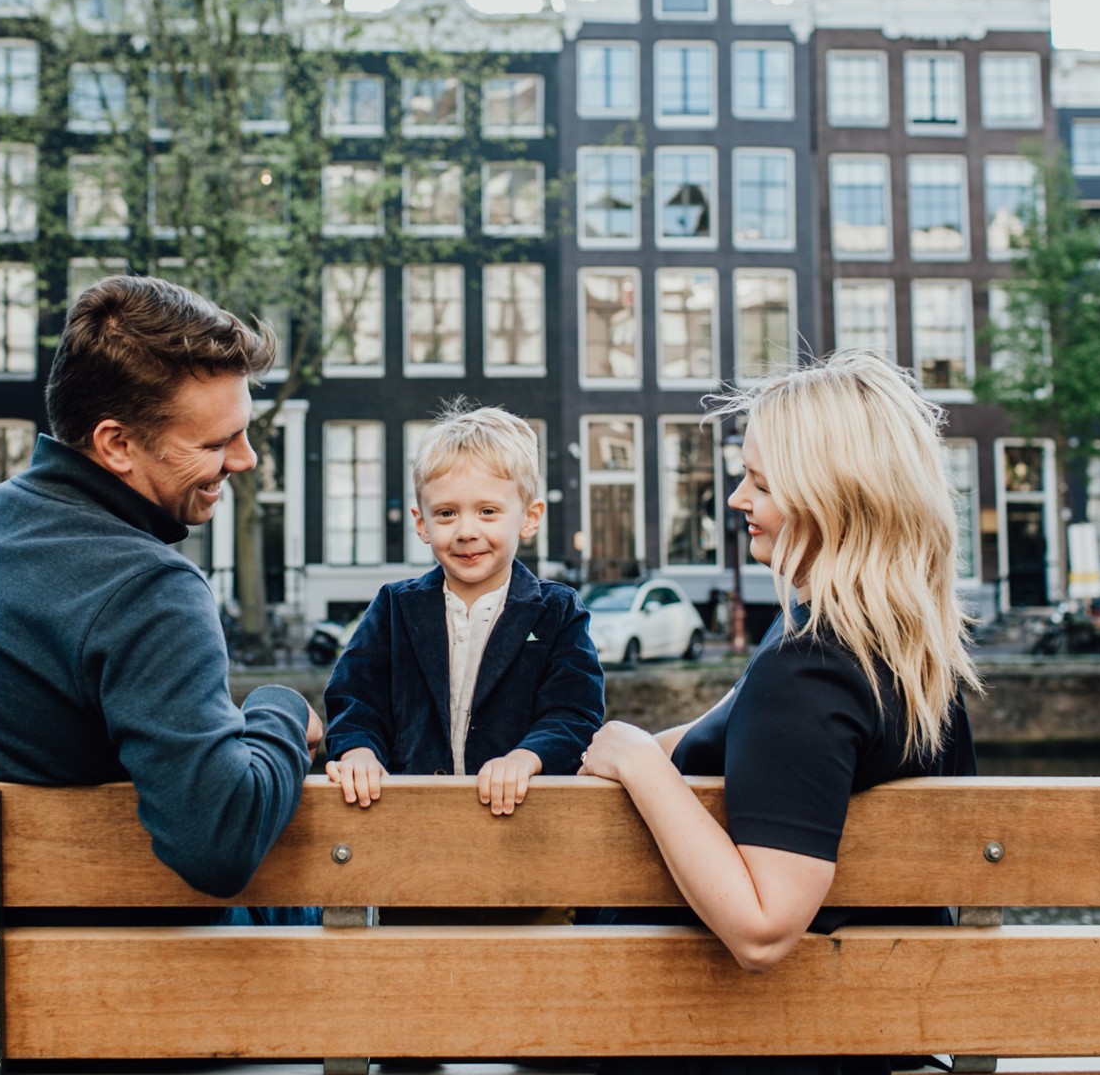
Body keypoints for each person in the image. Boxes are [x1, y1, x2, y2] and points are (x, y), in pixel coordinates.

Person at [579, 351, 981, 1075]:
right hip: (865, 1026)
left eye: (760, 483)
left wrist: (638, 762)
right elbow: (751, 734)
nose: (736, 498)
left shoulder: (812, 664)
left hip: (728, 1041)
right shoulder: (909, 652)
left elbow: (763, 928)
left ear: (833, 500)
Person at [0, 275, 322, 915]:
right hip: (104, 991)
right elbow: (218, 843)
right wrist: (279, 710)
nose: (245, 459)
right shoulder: (150, 591)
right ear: (117, 443)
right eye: (217, 442)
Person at [324, 403, 603, 816]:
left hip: (518, 821)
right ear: (422, 524)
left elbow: (575, 712)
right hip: (410, 818)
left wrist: (525, 758)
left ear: (529, 518)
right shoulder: (395, 607)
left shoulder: (558, 611)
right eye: (447, 513)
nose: (466, 531)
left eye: (488, 512)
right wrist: (359, 752)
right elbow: (355, 697)